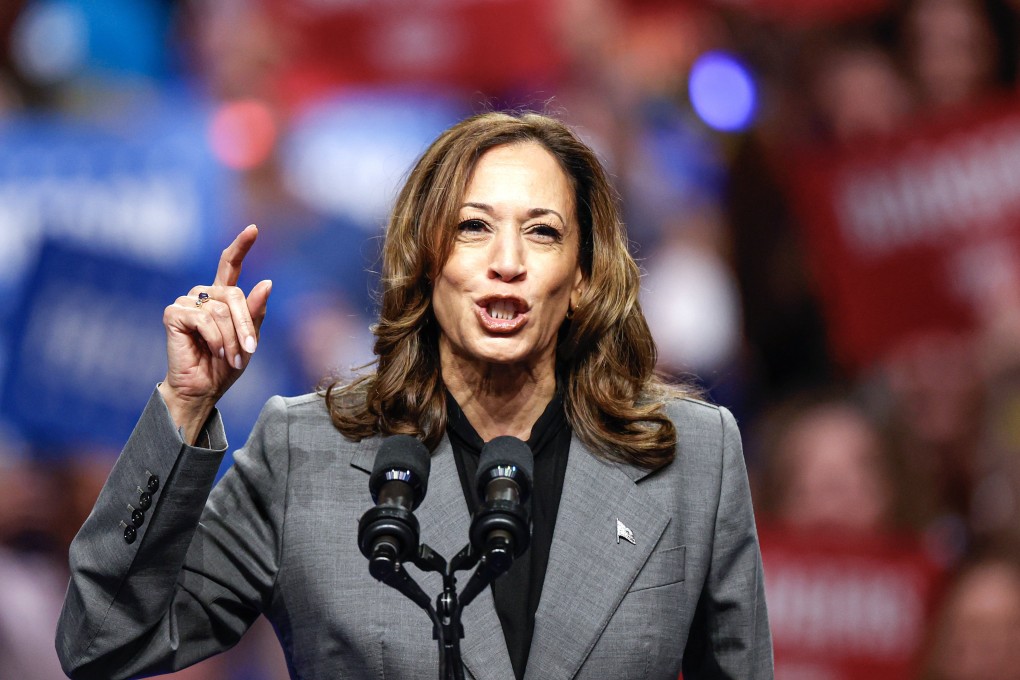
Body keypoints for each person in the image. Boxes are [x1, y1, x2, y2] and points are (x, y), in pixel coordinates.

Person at [55, 111, 772, 679]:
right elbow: (103, 641)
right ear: (426, 261)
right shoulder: (304, 454)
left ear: (583, 277)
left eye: (543, 233)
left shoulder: (693, 459)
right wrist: (185, 404)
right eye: (473, 228)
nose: (507, 263)